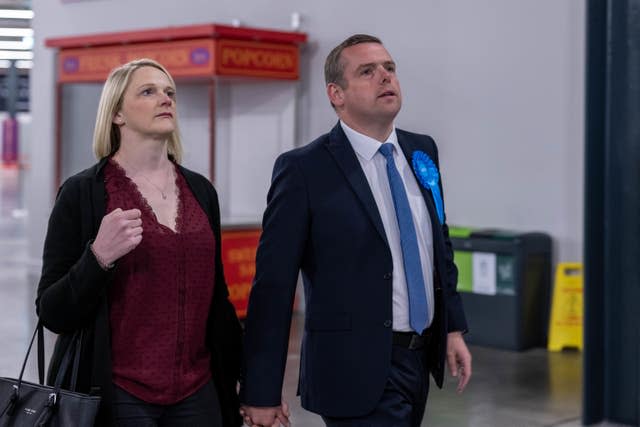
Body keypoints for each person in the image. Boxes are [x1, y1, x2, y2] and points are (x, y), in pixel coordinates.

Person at [240, 34, 472, 426]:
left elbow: (438, 246)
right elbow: (273, 286)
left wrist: (452, 328)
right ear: (336, 94)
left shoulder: (421, 151)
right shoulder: (304, 170)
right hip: (351, 369)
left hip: (417, 360)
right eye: (368, 72)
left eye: (390, 68)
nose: (385, 77)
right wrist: (260, 390)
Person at [36, 58, 242, 427]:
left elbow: (218, 300)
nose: (165, 99)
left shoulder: (200, 191)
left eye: (169, 93)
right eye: (148, 92)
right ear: (117, 114)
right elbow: (52, 311)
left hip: (199, 391)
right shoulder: (84, 193)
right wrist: (97, 257)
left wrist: (252, 383)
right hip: (120, 395)